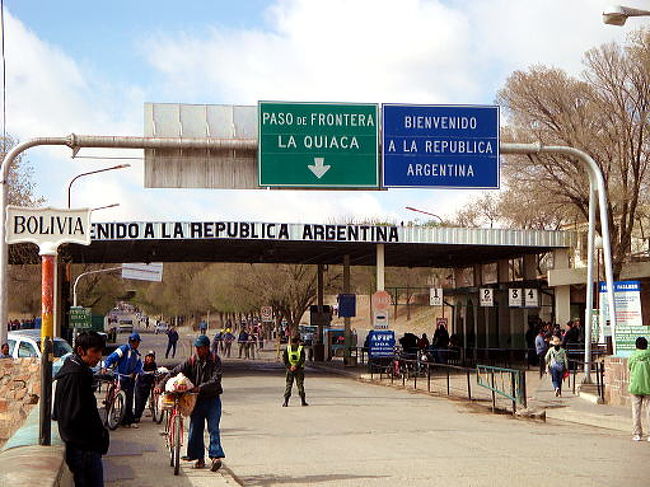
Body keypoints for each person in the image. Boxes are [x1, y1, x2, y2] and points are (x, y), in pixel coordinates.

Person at [156, 335, 225, 471]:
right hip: (196, 400)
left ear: (207, 348)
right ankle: (199, 458)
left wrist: (200, 388)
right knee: (196, 429)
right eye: (196, 348)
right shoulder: (191, 361)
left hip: (212, 399)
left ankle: (216, 457)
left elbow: (216, 379)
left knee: (213, 428)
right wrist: (161, 385)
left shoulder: (215, 360)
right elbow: (174, 372)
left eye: (200, 348)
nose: (198, 350)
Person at [53, 331, 109, 487]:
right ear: (80, 351)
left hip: (84, 447)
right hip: (83, 449)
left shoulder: (76, 371)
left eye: (100, 352)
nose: (99, 357)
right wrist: (95, 437)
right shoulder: (75, 376)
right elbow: (71, 416)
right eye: (95, 351)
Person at [103, 332, 143, 428]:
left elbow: (139, 365)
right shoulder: (123, 349)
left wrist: (134, 372)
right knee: (114, 397)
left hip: (130, 378)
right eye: (137, 342)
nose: (137, 344)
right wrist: (105, 366)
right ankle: (109, 415)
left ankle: (127, 420)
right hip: (120, 377)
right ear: (133, 342)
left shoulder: (137, 354)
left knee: (129, 399)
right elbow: (112, 357)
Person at [628, 336, 650, 441]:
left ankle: (637, 434)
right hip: (648, 386)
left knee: (636, 411)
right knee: (649, 411)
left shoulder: (633, 356)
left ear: (636, 346)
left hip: (635, 386)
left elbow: (629, 367)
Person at [282, 335, 308, 407]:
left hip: (290, 370)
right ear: (298, 341)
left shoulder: (288, 348)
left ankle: (286, 402)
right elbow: (302, 359)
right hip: (299, 369)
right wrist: (296, 366)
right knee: (300, 385)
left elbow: (285, 359)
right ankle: (303, 401)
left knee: (288, 385)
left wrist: (290, 366)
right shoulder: (300, 349)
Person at [133, 351, 157, 424]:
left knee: (143, 402)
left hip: (147, 386)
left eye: (152, 357)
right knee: (138, 400)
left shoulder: (154, 365)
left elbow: (155, 375)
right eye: (149, 356)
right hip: (139, 384)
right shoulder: (142, 364)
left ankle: (138, 416)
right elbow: (139, 372)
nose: (150, 358)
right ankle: (136, 416)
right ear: (146, 357)